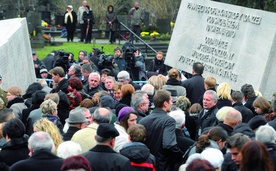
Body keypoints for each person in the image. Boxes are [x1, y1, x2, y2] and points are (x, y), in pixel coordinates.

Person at [139, 90, 183, 171]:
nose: (172, 103)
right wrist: (181, 156)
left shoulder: (143, 120)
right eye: (170, 101)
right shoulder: (169, 121)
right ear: (165, 103)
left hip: (146, 164)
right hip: (163, 165)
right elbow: (169, 144)